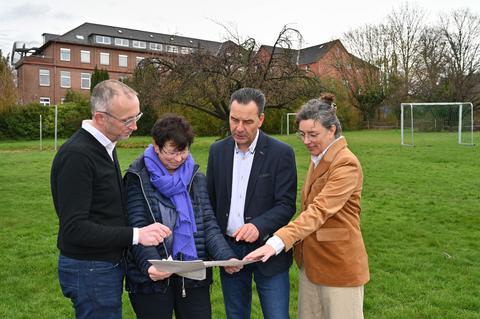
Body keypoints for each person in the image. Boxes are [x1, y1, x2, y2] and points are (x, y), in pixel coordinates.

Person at [51, 79, 171, 319]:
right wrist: (137, 235)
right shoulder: (78, 155)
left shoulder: (106, 145)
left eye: (137, 116)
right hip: (90, 268)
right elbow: (74, 228)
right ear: (100, 118)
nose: (135, 126)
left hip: (102, 265)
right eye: (127, 120)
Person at [246, 97, 370, 319]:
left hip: (339, 267)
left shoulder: (345, 163)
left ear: (331, 130)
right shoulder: (319, 157)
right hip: (311, 267)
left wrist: (277, 241)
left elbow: (319, 210)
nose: (306, 141)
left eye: (313, 135)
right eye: (302, 135)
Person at [124, 114, 241, 319]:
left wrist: (226, 256)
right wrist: (150, 265)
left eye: (184, 151)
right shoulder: (137, 178)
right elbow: (138, 227)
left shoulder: (196, 178)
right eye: (172, 152)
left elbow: (208, 225)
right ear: (156, 146)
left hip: (193, 278)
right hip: (152, 279)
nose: (178, 159)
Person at [207, 87, 297, 319]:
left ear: (261, 119)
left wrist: (258, 226)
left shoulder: (281, 153)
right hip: (230, 250)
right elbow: (211, 203)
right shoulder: (217, 151)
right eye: (234, 119)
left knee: (277, 315)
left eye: (247, 121)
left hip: (269, 250)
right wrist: (220, 250)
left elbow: (286, 205)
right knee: (236, 314)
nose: (239, 128)